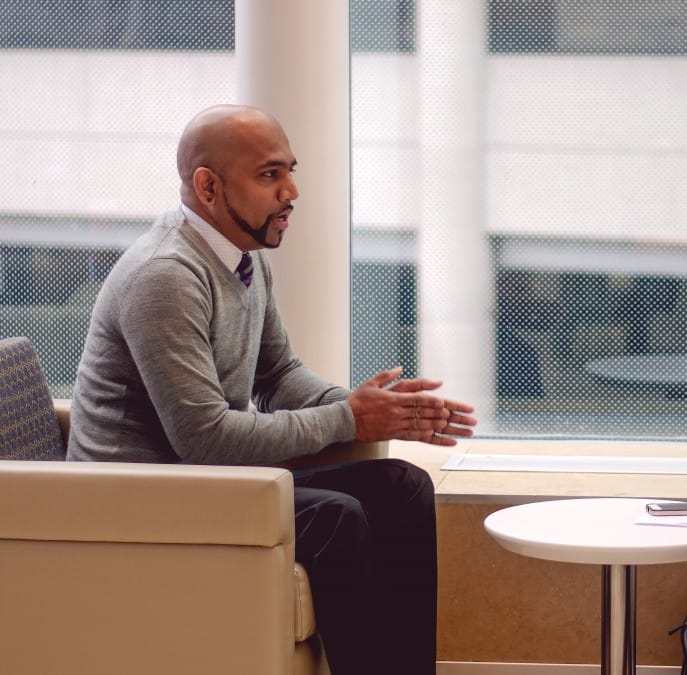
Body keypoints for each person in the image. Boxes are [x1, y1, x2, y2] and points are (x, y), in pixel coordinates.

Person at [66, 104, 477, 675]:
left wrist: (362, 407)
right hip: (135, 498)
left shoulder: (244, 258)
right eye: (269, 175)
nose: (291, 192)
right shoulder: (165, 277)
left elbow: (278, 374)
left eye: (290, 171)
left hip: (198, 483)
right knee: (335, 517)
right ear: (208, 187)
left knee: (402, 486)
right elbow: (204, 440)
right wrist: (351, 419)